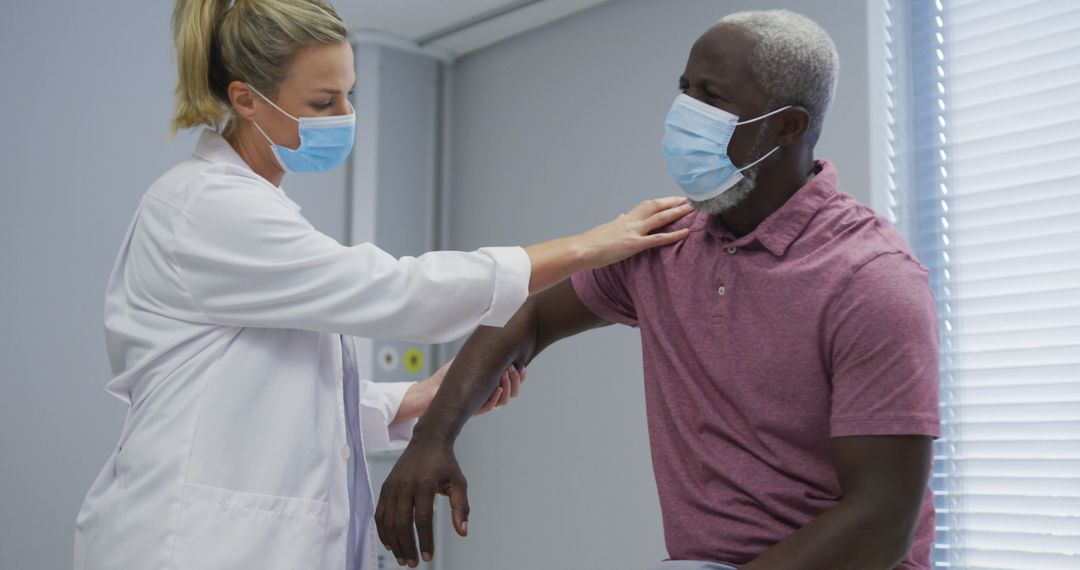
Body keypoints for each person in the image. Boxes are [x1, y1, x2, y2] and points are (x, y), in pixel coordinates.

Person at [72, 1, 694, 569]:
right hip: (190, 544)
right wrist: (591, 244)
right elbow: (398, 291)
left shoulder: (256, 210)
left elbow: (287, 399)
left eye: (350, 94)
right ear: (246, 99)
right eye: (322, 103)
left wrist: (417, 398)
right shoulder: (204, 208)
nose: (346, 116)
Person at [377, 10, 941, 570]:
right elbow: (531, 313)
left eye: (712, 97)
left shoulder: (870, 279)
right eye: (684, 90)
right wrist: (432, 437)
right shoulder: (670, 239)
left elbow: (881, 522)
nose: (685, 113)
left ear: (788, 125)